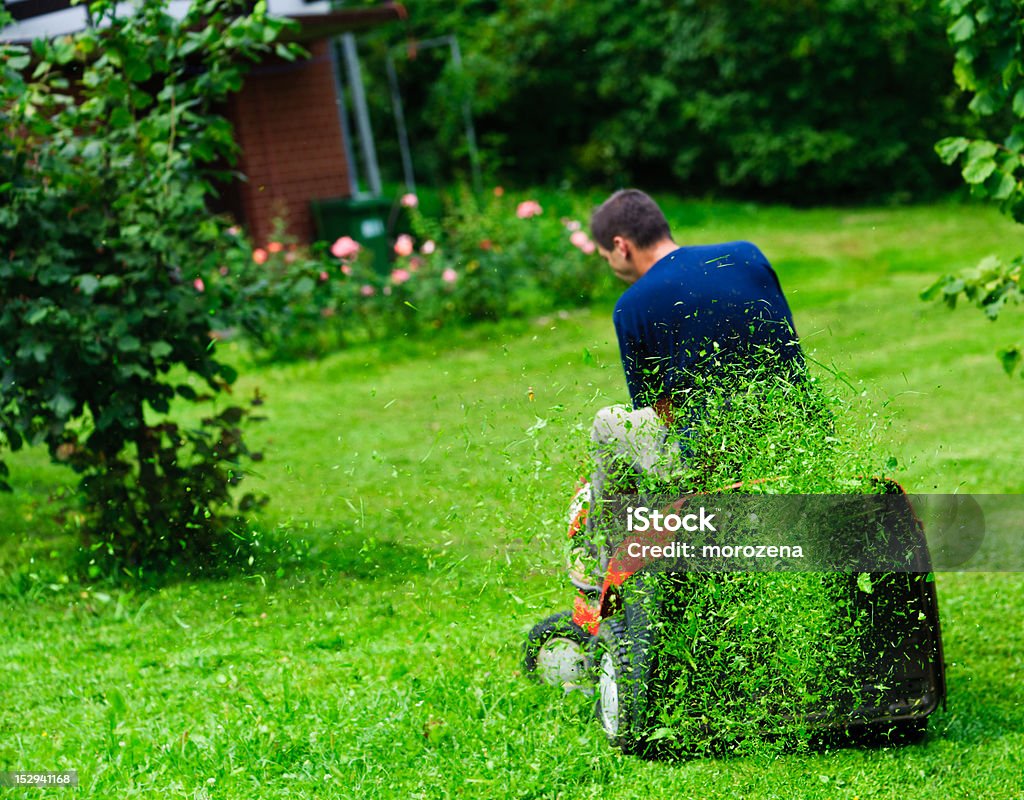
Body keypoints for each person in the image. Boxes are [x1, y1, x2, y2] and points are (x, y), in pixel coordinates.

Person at [568, 189, 804, 592]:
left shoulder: (633, 305)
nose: (612, 267)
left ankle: (600, 566)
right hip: (796, 435)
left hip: (716, 462)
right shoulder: (747, 255)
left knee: (609, 424)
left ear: (621, 247)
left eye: (607, 258)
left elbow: (660, 413)